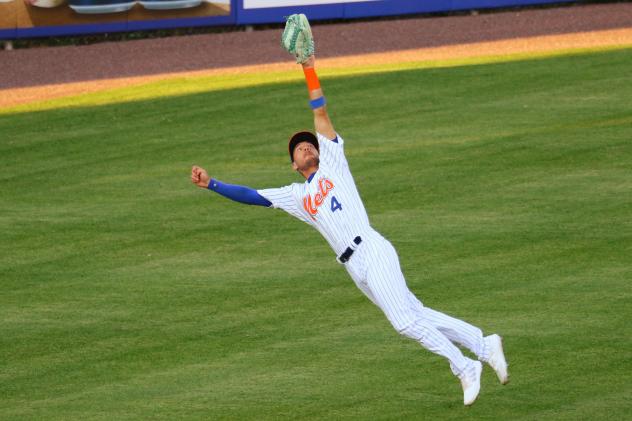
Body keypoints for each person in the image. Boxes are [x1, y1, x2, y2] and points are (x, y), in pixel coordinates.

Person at [191, 14, 508, 406]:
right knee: (416, 312)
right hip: (354, 267)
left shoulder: (333, 163)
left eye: (309, 145)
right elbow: (253, 195)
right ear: (293, 164)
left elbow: (320, 114)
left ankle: (464, 367)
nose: (306, 147)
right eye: (298, 149)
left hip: (372, 248)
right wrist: (213, 184)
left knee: (405, 322)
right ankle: (483, 342)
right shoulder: (297, 196)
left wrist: (309, 68)